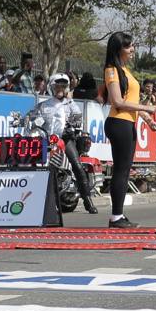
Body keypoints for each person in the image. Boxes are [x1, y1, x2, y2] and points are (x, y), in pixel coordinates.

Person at [102, 32, 156, 229]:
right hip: (118, 123)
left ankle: (118, 215)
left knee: (125, 170)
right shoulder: (111, 70)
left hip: (127, 123)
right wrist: (147, 108)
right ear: (118, 49)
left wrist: (147, 120)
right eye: (129, 46)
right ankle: (115, 217)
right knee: (121, 170)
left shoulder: (124, 70)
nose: (133, 49)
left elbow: (132, 102)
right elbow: (117, 102)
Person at [31, 72, 96, 214]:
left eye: (63, 86)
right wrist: (22, 119)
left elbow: (78, 116)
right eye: (57, 86)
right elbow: (31, 116)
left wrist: (74, 121)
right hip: (47, 139)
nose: (60, 88)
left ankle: (88, 200)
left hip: (65, 139)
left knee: (77, 165)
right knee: (33, 163)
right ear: (51, 87)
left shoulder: (70, 103)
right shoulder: (44, 105)